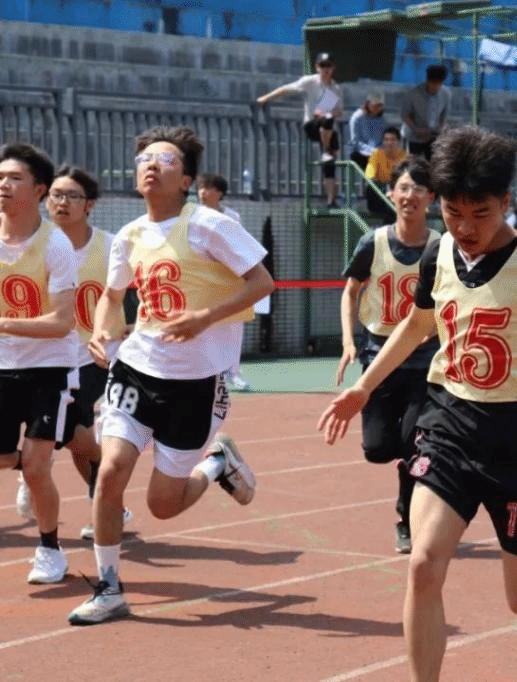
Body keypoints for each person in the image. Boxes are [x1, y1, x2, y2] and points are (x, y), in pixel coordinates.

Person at [317, 126, 517, 682]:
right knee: (423, 564)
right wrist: (364, 387)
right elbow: (417, 324)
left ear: (506, 201)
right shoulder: (439, 252)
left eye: (481, 214)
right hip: (450, 427)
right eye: (453, 212)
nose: (466, 228)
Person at [67, 125, 275, 625]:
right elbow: (113, 297)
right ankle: (109, 587)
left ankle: (216, 463)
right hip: (137, 369)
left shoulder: (209, 226)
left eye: (165, 160)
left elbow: (262, 281)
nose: (151, 166)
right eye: (145, 159)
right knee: (110, 471)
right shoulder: (129, 236)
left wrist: (205, 317)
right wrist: (102, 330)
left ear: (185, 180)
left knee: (163, 505)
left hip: (197, 382)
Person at [14, 166, 134, 542]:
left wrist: (132, 326)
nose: (62, 203)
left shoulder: (110, 246)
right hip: (48, 355)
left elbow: (135, 291)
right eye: (56, 195)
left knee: (68, 430)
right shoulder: (33, 246)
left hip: (96, 355)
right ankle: (108, 502)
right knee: (76, 440)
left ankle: (37, 469)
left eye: (72, 196)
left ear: (89, 204)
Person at [335, 156, 438, 554]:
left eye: (419, 189)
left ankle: (407, 519)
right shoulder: (373, 243)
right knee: (377, 448)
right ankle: (408, 459)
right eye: (403, 188)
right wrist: (349, 342)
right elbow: (351, 292)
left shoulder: (440, 246)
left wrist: (439, 333)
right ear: (391, 193)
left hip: (424, 359)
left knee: (415, 444)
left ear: (431, 197)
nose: (410, 196)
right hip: (378, 354)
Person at [0, 143, 77, 584]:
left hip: (49, 367)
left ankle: (50, 549)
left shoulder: (55, 244)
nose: (3, 185)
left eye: (14, 178)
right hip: (2, 366)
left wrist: (5, 324)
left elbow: (62, 322)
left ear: (38, 190)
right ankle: (25, 466)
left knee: (36, 467)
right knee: (10, 460)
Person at [256, 52, 345, 207]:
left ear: (333, 68)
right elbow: (286, 89)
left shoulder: (334, 88)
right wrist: (266, 98)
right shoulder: (310, 81)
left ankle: (331, 200)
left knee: (330, 166)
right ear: (317, 67)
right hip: (312, 125)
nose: (326, 70)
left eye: (329, 66)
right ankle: (326, 149)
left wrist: (328, 113)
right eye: (323, 66)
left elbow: (339, 111)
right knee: (326, 122)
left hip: (328, 128)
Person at [196, 173, 253, 392]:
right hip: (203, 281)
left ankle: (233, 372)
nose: (202, 192)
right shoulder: (191, 214)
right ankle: (205, 373)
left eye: (208, 188)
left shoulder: (232, 217)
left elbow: (239, 246)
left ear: (219, 193)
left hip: (229, 279)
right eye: (200, 187)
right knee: (204, 327)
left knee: (234, 327)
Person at [401, 64, 450, 161]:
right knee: (413, 163)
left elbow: (444, 116)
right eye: (433, 83)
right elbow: (405, 115)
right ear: (427, 81)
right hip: (414, 137)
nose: (435, 86)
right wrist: (416, 129)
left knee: (433, 163)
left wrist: (442, 129)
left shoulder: (446, 94)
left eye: (438, 83)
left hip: (433, 138)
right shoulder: (414, 93)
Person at [364, 126, 407, 222]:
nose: (389, 143)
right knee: (371, 187)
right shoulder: (376, 154)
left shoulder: (405, 156)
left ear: (399, 142)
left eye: (392, 140)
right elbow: (369, 175)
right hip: (381, 191)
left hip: (397, 190)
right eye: (386, 140)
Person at [348, 93, 386, 170]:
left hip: (379, 154)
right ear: (368, 104)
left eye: (379, 106)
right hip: (360, 153)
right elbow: (355, 142)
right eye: (374, 105)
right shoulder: (357, 117)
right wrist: (372, 150)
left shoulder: (381, 119)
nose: (377, 108)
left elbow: (383, 137)